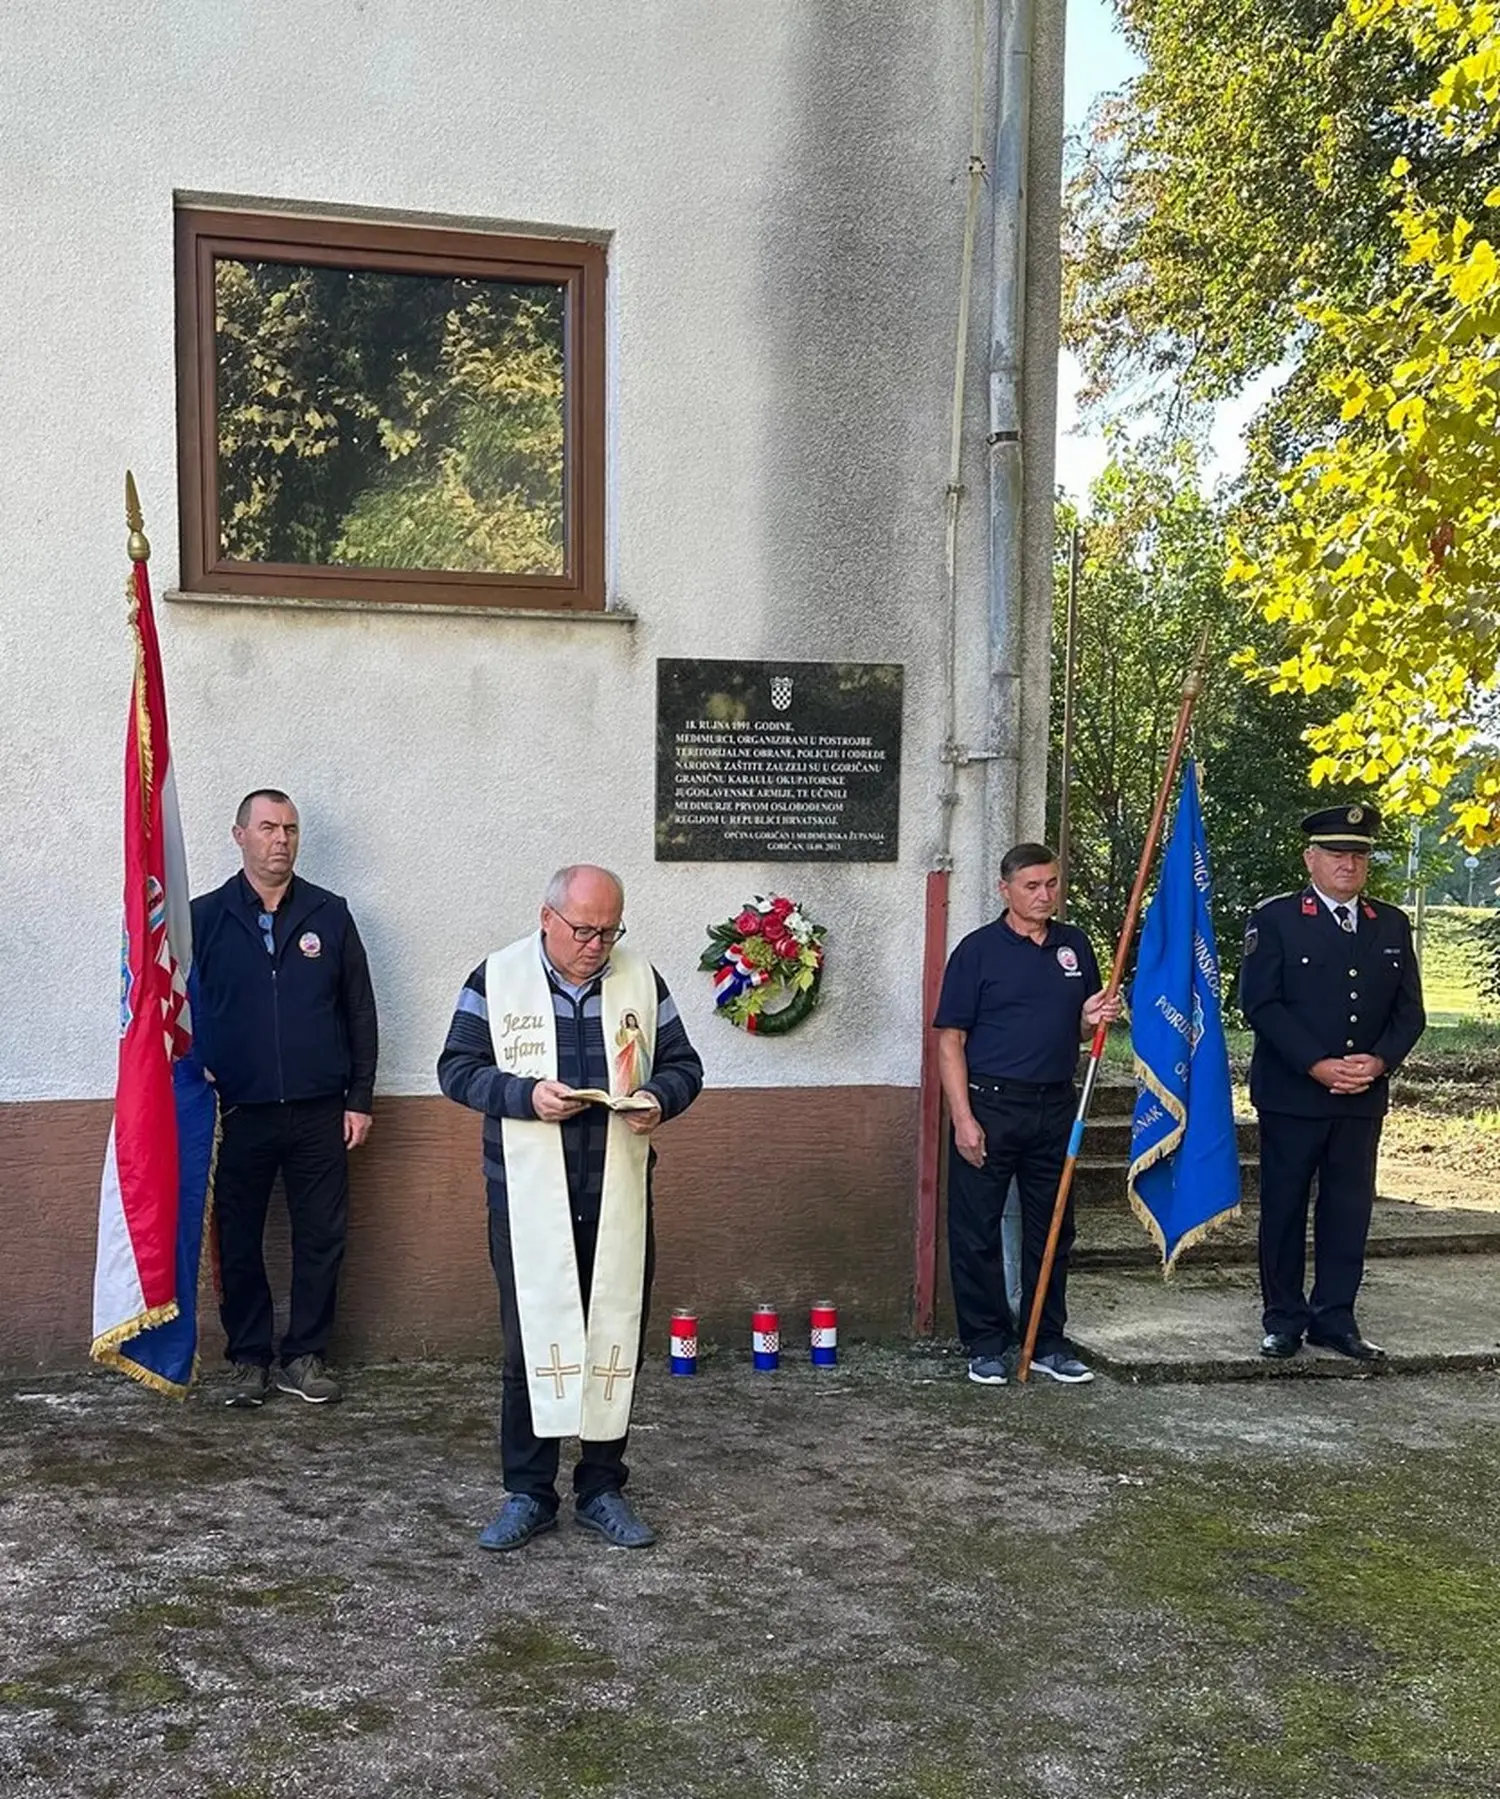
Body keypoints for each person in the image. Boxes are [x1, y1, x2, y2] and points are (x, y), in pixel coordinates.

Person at [438, 864, 704, 1552]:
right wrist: (524, 1096)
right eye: (584, 929)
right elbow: (456, 1068)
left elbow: (684, 1065)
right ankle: (529, 1492)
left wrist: (659, 1098)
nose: (596, 944)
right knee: (530, 1343)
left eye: (609, 929)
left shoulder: (640, 980)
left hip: (614, 1192)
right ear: (547, 917)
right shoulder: (495, 979)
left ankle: (601, 1487)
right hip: (527, 1198)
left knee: (613, 1335)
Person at [191, 790, 378, 1408]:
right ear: (238, 834)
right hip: (236, 1113)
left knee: (321, 1236)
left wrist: (359, 1097)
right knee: (238, 1237)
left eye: (291, 829)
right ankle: (249, 1360)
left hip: (320, 1108)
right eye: (268, 827)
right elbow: (177, 1010)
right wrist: (198, 1072)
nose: (281, 839)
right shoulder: (204, 918)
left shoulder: (330, 914)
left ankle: (305, 1355)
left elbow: (358, 1010)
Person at [1240, 804, 1425, 1361]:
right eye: (1336, 853)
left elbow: (1409, 1013)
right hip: (1294, 1093)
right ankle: (1284, 1318)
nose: (1348, 864)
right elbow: (1261, 1004)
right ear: (1310, 858)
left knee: (1348, 1210)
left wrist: (1380, 1062)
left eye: (1358, 854)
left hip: (1362, 1097)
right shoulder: (1274, 918)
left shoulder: (1389, 924)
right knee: (1285, 1207)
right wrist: (1316, 1063)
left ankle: (1335, 1318)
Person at [934, 842, 1121, 1386]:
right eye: (1032, 886)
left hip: (1055, 1104)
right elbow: (951, 1041)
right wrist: (963, 1119)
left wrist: (1091, 1015)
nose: (1045, 896)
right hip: (990, 1104)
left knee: (1055, 1227)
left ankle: (1045, 1340)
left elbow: (1084, 1029)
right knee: (977, 1230)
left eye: (1052, 884)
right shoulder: (978, 951)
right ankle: (987, 1342)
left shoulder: (1074, 946)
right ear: (1006, 890)